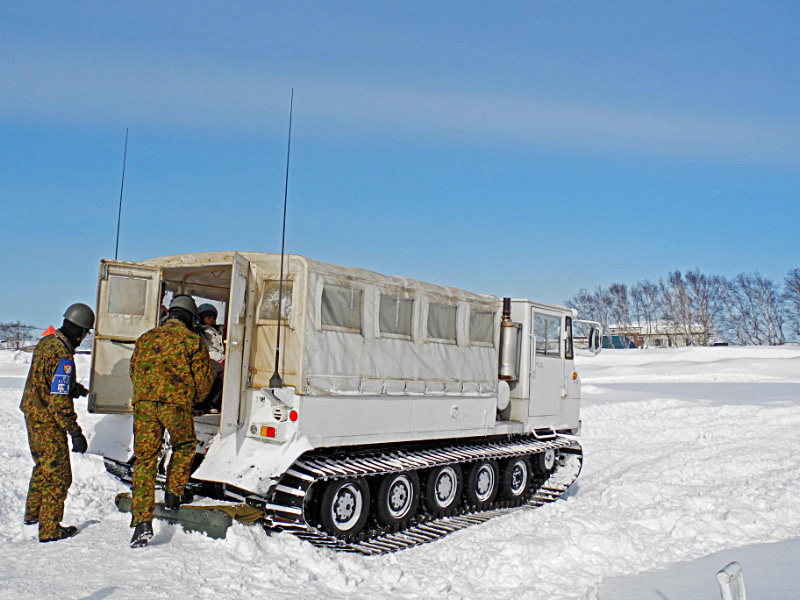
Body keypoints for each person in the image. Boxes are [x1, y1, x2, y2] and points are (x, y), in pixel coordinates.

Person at [128, 295, 212, 548]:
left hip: (144, 404)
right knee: (185, 445)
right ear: (189, 317)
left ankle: (142, 521)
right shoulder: (192, 341)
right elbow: (203, 380)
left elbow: (134, 371)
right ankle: (173, 494)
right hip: (175, 405)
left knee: (144, 459)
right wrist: (194, 399)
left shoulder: (146, 338)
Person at [20, 302, 94, 543]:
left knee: (42, 467)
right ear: (80, 331)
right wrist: (75, 432)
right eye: (85, 334)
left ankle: (32, 517)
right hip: (48, 421)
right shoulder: (63, 355)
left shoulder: (47, 342)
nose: (83, 339)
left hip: (33, 413)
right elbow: (59, 402)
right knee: (59, 476)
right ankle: (50, 529)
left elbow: (47, 379)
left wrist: (73, 388)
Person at [195, 303, 224, 414]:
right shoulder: (202, 331)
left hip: (218, 359)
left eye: (213, 318)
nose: (212, 320)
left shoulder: (216, 331)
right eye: (208, 318)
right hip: (208, 358)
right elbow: (208, 348)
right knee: (217, 373)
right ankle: (210, 403)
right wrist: (220, 359)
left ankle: (216, 403)